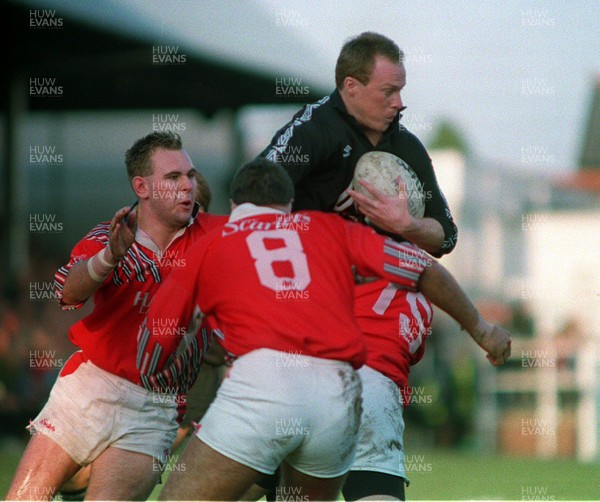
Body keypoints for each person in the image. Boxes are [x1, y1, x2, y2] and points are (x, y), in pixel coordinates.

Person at [137, 159, 510, 500]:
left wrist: (156, 384)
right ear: (289, 205)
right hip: (340, 393)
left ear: (235, 207)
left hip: (265, 383)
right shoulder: (327, 227)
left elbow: (157, 335)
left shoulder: (210, 238)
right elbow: (423, 269)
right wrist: (483, 331)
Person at [257, 32, 465, 499]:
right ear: (351, 86)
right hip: (303, 315)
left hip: (375, 323)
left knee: (371, 437)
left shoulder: (407, 147)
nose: (399, 102)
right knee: (280, 451)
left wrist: (406, 223)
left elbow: (445, 235)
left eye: (401, 90)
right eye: (388, 91)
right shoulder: (314, 129)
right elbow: (254, 195)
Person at [6, 131, 226, 501]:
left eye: (190, 175)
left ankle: (78, 482)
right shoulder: (112, 236)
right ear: (142, 186)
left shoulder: (217, 238)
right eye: (173, 178)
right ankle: (76, 479)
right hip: (90, 387)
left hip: (155, 406)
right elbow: (67, 292)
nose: (187, 185)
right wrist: (109, 257)